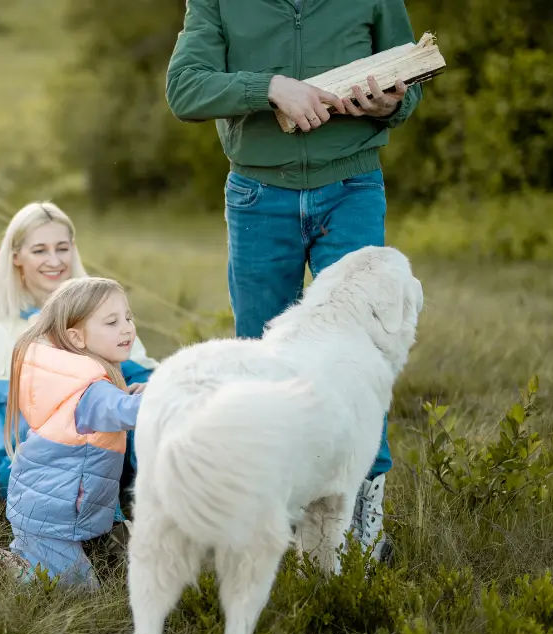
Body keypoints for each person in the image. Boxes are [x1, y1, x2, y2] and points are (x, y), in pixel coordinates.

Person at [165, 0, 424, 560]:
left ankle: (362, 526)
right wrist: (271, 88)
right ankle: (272, 523)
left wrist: (392, 104)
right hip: (259, 197)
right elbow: (185, 88)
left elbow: (412, 80)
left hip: (353, 185)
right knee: (264, 359)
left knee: (360, 359)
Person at [0, 202, 158, 516]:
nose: (54, 261)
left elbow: (139, 375)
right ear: (16, 257)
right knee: (62, 486)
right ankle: (102, 531)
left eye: (62, 248)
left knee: (153, 432)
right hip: (20, 459)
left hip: (100, 447)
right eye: (39, 250)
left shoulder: (101, 313)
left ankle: (154, 517)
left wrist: (148, 387)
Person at [3, 277, 145, 589]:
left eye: (128, 317)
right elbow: (128, 411)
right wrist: (173, 389)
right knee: (79, 594)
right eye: (112, 322)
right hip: (51, 520)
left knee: (53, 572)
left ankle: (23, 557)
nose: (127, 328)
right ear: (76, 337)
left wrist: (135, 395)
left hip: (46, 508)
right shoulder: (91, 391)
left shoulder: (70, 375)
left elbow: (117, 406)